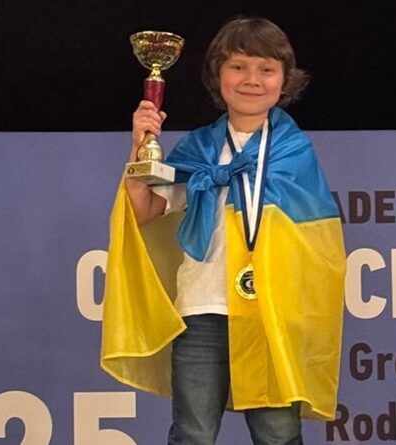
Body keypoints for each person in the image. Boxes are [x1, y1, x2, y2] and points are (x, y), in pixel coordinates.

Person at [102, 16, 346, 445]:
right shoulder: (198, 148)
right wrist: (139, 147)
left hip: (272, 315)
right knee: (192, 434)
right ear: (218, 75)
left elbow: (318, 250)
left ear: (284, 80)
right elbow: (144, 211)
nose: (252, 79)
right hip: (202, 313)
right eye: (238, 66)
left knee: (278, 436)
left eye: (266, 69)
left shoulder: (295, 154)